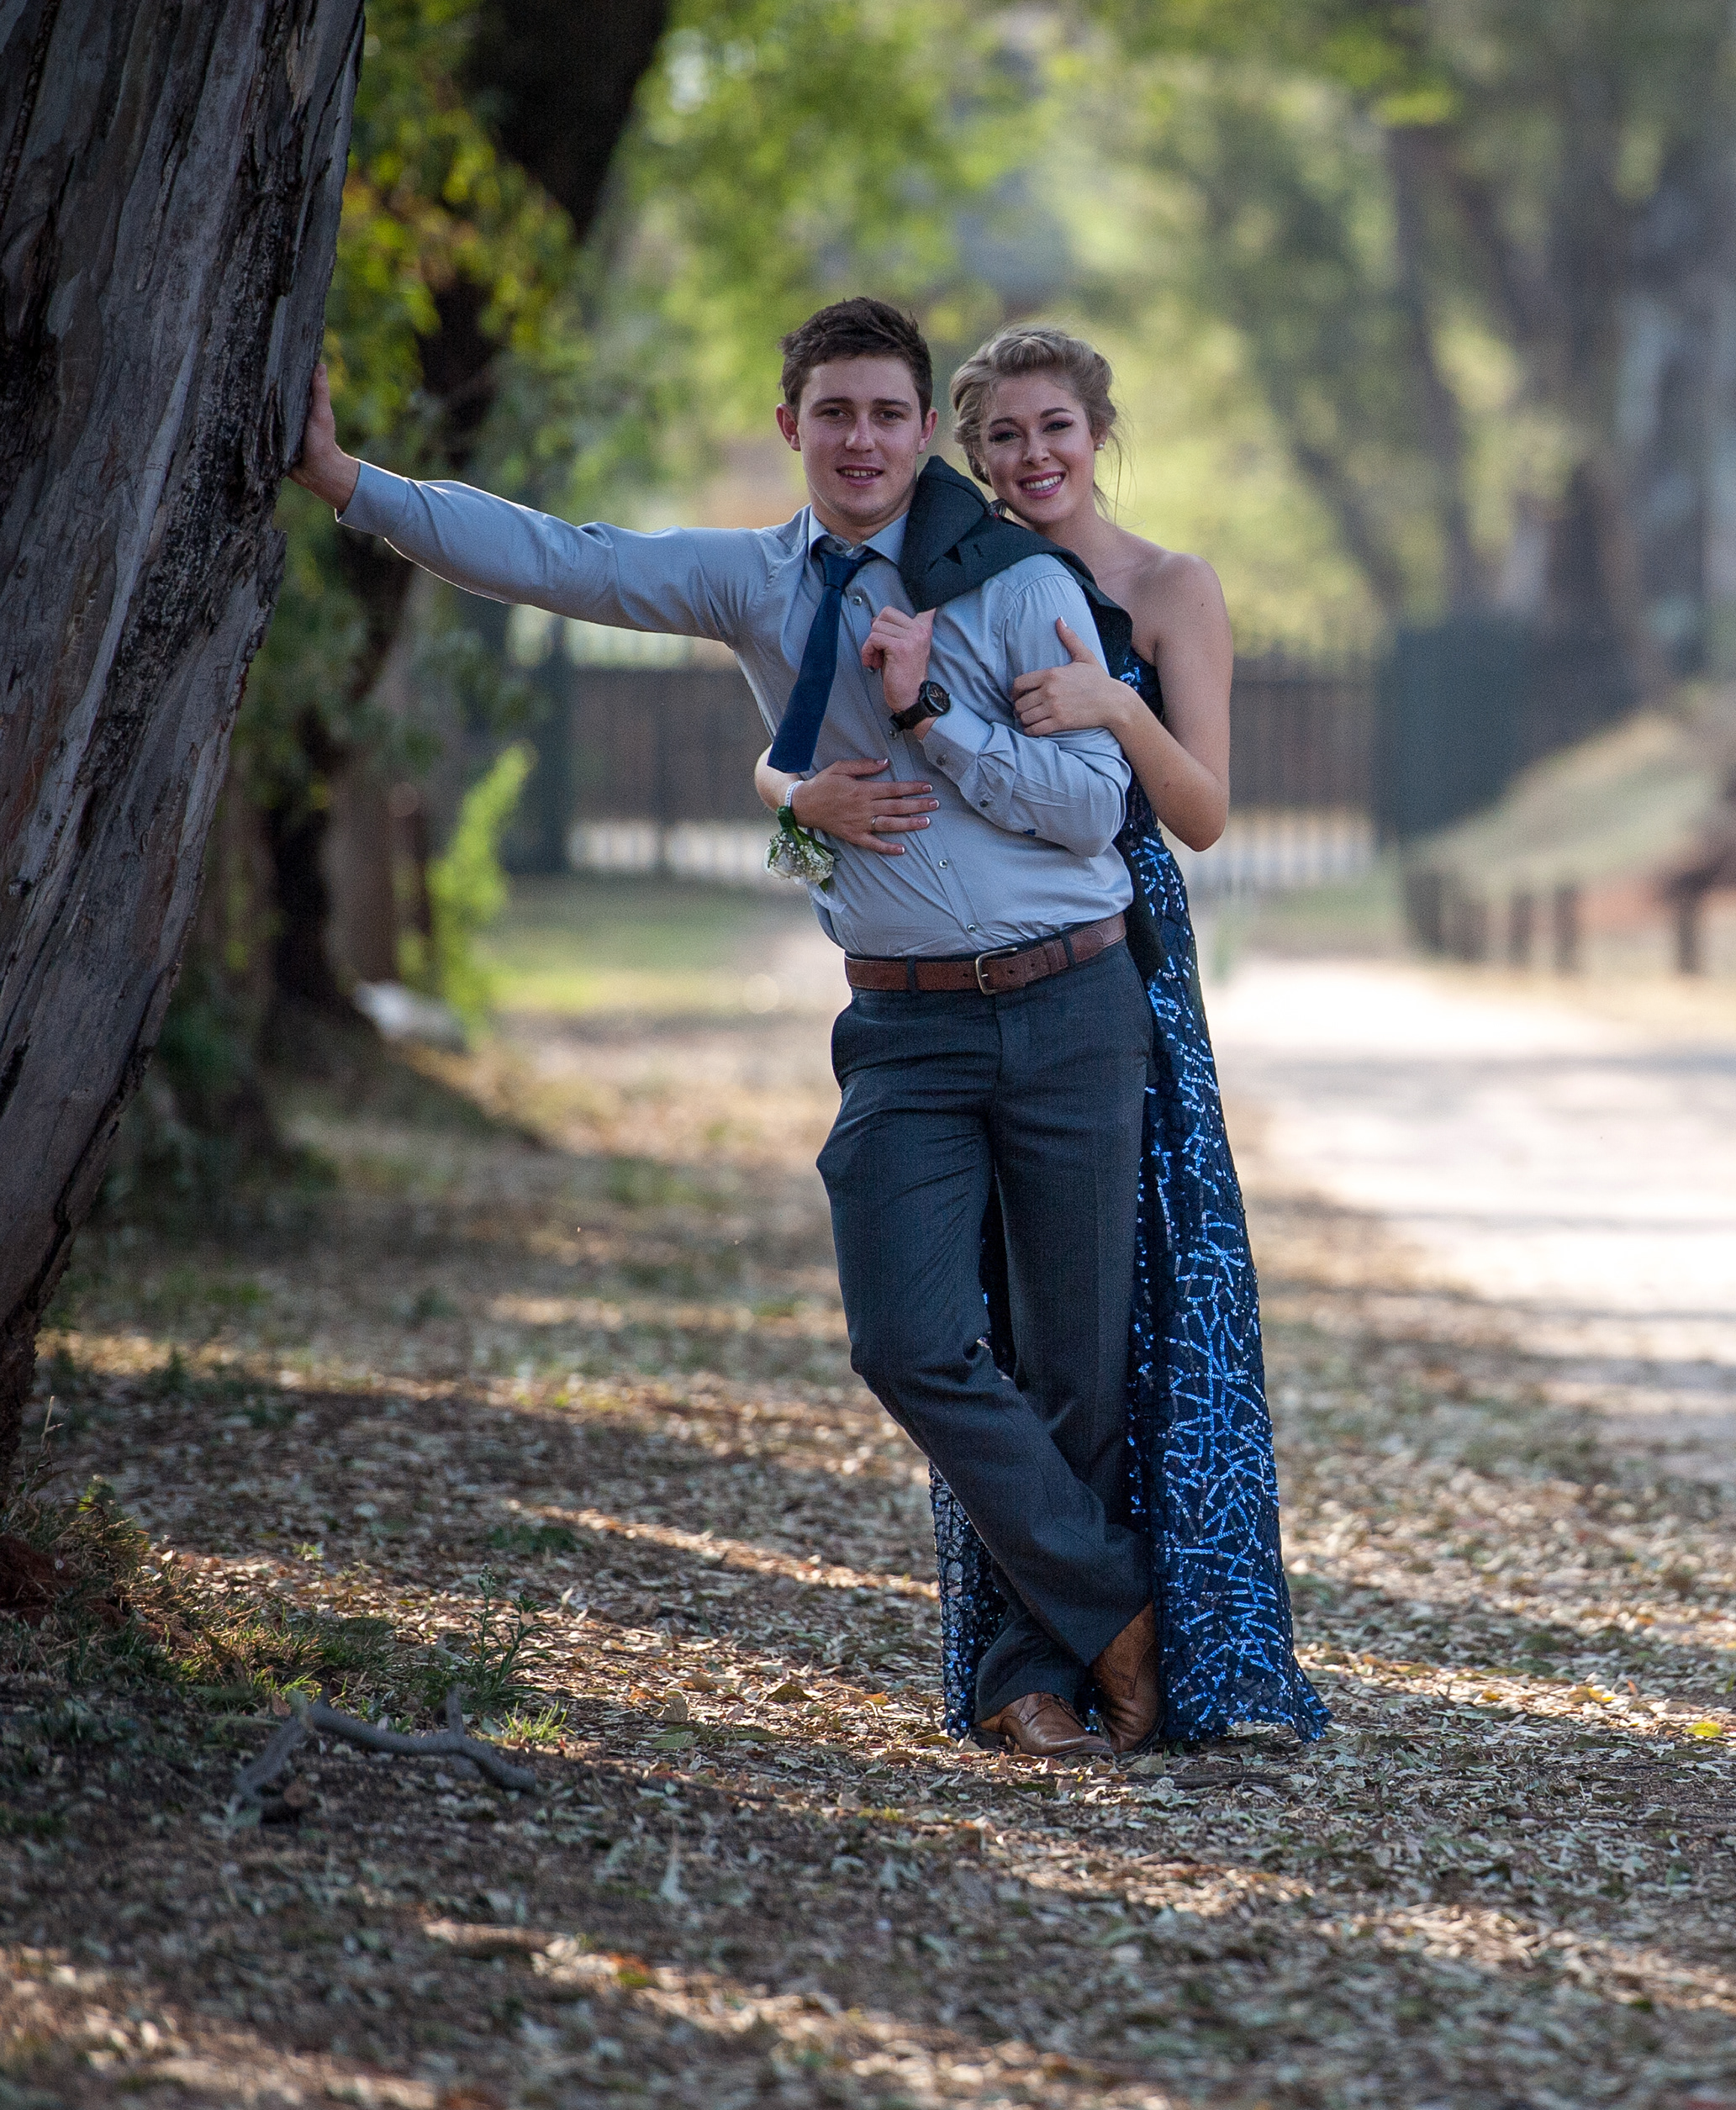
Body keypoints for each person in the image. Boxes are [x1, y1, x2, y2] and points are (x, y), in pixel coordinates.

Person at [289, 298, 1169, 1762]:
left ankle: (1034, 1682)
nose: (862, 440)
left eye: (887, 413)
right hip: (904, 1028)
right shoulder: (757, 583)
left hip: (1073, 1003)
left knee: (1071, 1366)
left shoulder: (1012, 584)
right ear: (790, 427)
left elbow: (1094, 811)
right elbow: (567, 557)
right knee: (908, 1341)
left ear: (923, 432)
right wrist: (348, 485)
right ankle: (1119, 1607)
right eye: (834, 413)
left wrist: (933, 720)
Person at [768, 324, 1324, 1751]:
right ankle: (1064, 1638)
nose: (1032, 459)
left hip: (1112, 959)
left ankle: (1075, 1660)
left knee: (1109, 1322)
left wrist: (1116, 704)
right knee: (976, 1328)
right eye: (1003, 438)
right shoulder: (936, 583)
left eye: (1054, 430)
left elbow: (1203, 814)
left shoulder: (1168, 588)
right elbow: (804, 728)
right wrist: (785, 798)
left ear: (1099, 433)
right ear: (969, 454)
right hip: (948, 984)